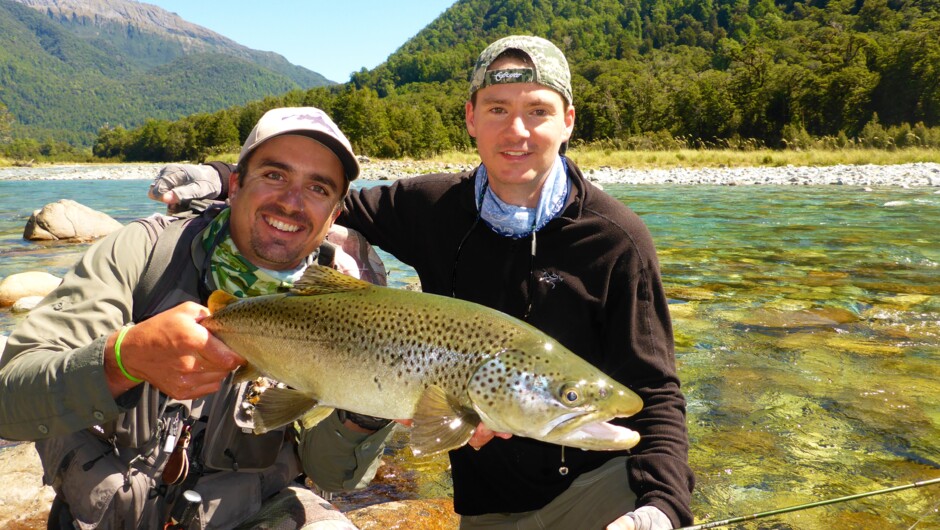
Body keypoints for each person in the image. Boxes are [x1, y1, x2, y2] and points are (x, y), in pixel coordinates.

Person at [338, 36, 695, 529]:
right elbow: (313, 197)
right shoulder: (431, 207)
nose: (517, 131)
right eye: (498, 109)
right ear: (470, 118)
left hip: (601, 487)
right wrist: (226, 179)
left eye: (538, 111)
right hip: (489, 505)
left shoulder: (616, 239)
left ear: (568, 121)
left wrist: (663, 505)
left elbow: (654, 388)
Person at [0, 107, 395, 529]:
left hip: (247, 516)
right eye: (275, 175)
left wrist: (371, 410)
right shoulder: (145, 254)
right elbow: (9, 401)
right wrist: (122, 359)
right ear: (237, 185)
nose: (292, 201)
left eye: (318, 188)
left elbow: (331, 472)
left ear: (334, 213)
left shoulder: (343, 308)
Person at [148, 161, 236, 214]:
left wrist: (220, 178)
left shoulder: (207, 185)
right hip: (224, 176)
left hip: (221, 180)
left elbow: (163, 196)